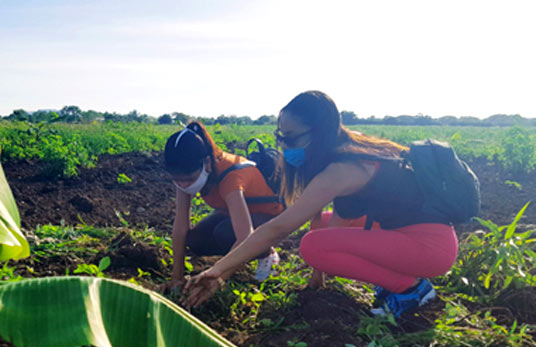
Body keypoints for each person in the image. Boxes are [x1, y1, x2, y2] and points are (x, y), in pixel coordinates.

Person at [184, 91, 459, 317]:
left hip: (429, 248)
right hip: (408, 232)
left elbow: (278, 228)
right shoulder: (346, 150)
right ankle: (395, 280)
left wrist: (217, 271)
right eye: (280, 136)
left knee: (311, 245)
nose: (283, 144)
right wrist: (318, 276)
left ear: (320, 133)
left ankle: (411, 289)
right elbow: (334, 217)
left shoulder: (342, 170)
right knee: (319, 233)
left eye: (291, 138)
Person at [163, 121, 284, 290]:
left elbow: (245, 236)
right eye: (177, 180)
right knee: (195, 239)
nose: (183, 185)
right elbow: (181, 226)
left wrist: (216, 277)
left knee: (225, 233)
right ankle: (235, 258)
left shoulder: (231, 177)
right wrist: (177, 277)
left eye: (189, 179)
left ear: (207, 163)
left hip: (268, 215)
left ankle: (266, 253)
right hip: (233, 212)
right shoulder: (185, 175)